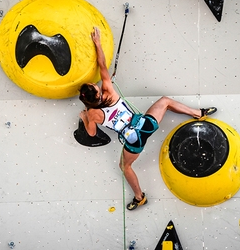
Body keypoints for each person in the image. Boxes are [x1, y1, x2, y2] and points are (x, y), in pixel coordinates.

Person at [78, 27, 217, 210]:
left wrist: (84, 117)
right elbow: (102, 65)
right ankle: (198, 114)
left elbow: (91, 133)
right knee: (165, 101)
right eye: (94, 86)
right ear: (97, 92)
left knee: (124, 167)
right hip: (145, 125)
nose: (95, 84)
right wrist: (98, 43)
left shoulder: (92, 114)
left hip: (134, 142)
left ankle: (139, 197)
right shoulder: (109, 91)